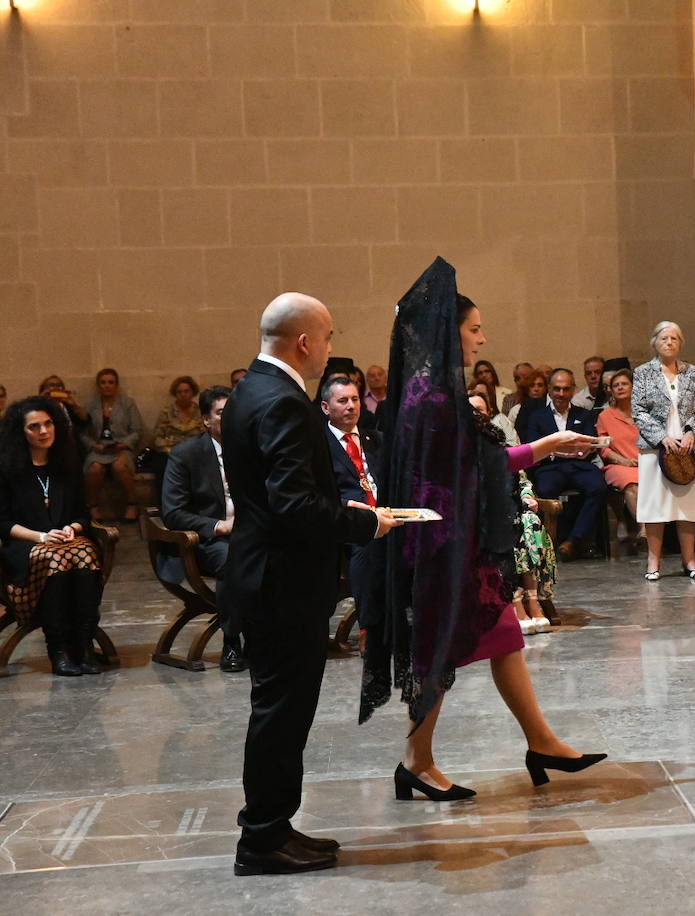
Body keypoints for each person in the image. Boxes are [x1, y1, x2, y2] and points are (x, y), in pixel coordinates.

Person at [360, 257, 605, 804]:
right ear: (450, 332)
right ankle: (415, 762)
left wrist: (545, 447)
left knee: (504, 635)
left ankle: (541, 742)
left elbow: (472, 461)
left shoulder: (428, 391)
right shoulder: (432, 397)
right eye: (474, 330)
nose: (482, 339)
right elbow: (472, 466)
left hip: (453, 539)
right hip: (441, 546)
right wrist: (545, 447)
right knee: (438, 650)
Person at [220, 292, 399, 876]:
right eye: (326, 338)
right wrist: (365, 521)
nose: (328, 349)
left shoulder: (252, 388)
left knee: (282, 711)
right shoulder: (284, 402)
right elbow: (295, 506)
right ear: (304, 342)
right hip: (281, 582)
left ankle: (274, 826)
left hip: (268, 575)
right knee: (280, 712)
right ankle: (263, 839)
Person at [0, 397, 105, 677]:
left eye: (48, 424)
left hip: (66, 541)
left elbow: (83, 515)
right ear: (20, 432)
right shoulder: (8, 469)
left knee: (86, 554)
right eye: (34, 427)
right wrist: (40, 536)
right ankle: (58, 650)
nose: (44, 431)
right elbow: (2, 522)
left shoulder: (67, 465)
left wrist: (73, 528)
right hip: (25, 545)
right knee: (55, 560)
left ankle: (83, 647)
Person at [161, 385, 244, 672]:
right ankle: (232, 642)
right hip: (208, 541)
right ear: (206, 420)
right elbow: (173, 512)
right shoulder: (186, 454)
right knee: (233, 559)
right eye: (222, 413)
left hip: (251, 532)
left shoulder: (253, 448)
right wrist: (218, 526)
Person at [469, 392, 554, 635]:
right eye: (471, 411)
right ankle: (515, 602)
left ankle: (533, 600)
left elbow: (521, 478)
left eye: (481, 410)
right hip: (481, 518)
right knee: (503, 528)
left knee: (528, 522)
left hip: (512, 509)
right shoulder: (461, 451)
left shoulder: (500, 445)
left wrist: (527, 495)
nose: (477, 415)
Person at [634, 321, 695, 580]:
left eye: (675, 338)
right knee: (656, 506)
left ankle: (689, 561)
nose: (669, 342)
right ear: (654, 342)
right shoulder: (643, 373)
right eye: (664, 338)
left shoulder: (693, 373)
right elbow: (639, 411)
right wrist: (661, 437)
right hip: (655, 448)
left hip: (688, 446)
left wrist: (691, 431)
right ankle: (653, 562)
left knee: (686, 506)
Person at [320, 376, 387, 658]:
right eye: (343, 401)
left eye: (355, 399)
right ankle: (368, 630)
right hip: (345, 519)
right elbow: (318, 492)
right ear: (326, 407)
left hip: (387, 513)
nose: (351, 406)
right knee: (367, 542)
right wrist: (350, 506)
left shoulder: (375, 438)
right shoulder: (317, 444)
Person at [522, 368, 608, 560]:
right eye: (557, 389)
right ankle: (552, 542)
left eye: (566, 389)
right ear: (549, 390)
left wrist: (586, 449)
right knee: (545, 489)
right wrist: (555, 451)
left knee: (599, 487)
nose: (561, 394)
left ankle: (573, 540)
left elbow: (589, 442)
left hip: (579, 465)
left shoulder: (584, 415)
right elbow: (533, 447)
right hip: (550, 467)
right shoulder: (537, 417)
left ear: (573, 390)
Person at [81, 368, 143, 524]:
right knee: (95, 468)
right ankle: (93, 506)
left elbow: (137, 430)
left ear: (116, 385)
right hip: (99, 447)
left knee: (119, 466)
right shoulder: (90, 405)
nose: (107, 386)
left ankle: (132, 504)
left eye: (110, 382)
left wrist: (124, 444)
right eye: (103, 382)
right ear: (98, 385)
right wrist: (93, 445)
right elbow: (82, 433)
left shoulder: (128, 404)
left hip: (121, 447)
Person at [596, 368, 640, 523]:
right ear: (611, 391)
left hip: (646, 463)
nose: (620, 387)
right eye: (616, 385)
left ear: (633, 387)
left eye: (624, 384)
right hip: (619, 465)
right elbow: (603, 448)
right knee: (632, 484)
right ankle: (645, 529)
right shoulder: (605, 416)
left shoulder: (644, 414)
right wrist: (623, 461)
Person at [148, 375, 204, 482]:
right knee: (161, 466)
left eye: (186, 391)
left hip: (194, 452)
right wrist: (169, 450)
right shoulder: (166, 412)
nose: (183, 395)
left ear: (193, 393)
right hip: (169, 452)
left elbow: (205, 436)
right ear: (175, 394)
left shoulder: (200, 412)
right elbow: (157, 437)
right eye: (179, 392)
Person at [509, 367, 548, 442]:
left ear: (545, 388)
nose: (536, 389)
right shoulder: (515, 410)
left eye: (540, 385)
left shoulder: (551, 408)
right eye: (532, 385)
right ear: (527, 388)